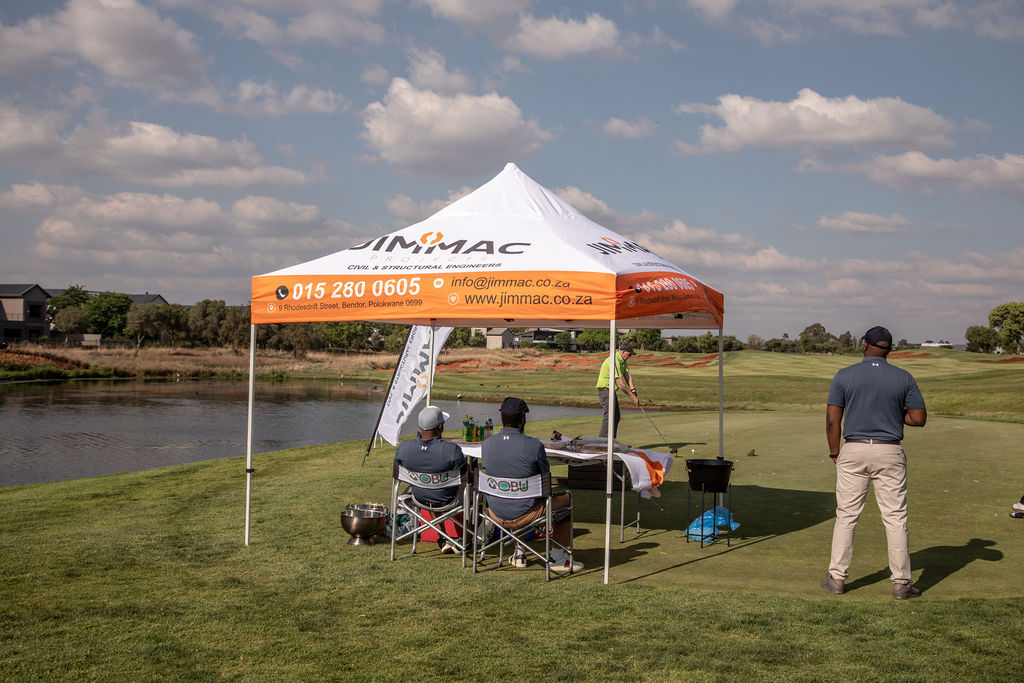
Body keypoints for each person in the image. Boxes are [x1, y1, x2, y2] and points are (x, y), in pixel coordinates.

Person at [822, 326, 927, 600]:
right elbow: (918, 418)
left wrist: (835, 453)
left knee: (846, 516)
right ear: (889, 349)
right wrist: (894, 414)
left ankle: (837, 578)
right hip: (889, 451)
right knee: (895, 518)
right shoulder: (904, 377)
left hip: (854, 449)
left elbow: (833, 420)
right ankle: (901, 583)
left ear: (864, 346)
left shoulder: (844, 375)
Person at [481, 397, 582, 572]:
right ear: (522, 419)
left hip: (495, 511)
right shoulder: (534, 446)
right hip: (524, 512)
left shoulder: (487, 444)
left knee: (516, 497)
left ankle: (519, 553)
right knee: (565, 498)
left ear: (502, 418)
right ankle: (557, 557)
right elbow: (545, 480)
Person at [394, 405, 468, 554]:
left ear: (419, 426)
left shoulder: (405, 448)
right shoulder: (451, 450)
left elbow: (396, 473)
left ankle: (444, 538)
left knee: (432, 490)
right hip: (449, 500)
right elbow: (466, 477)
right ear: (440, 427)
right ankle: (469, 540)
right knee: (477, 492)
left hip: (419, 498)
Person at [596, 343, 639, 438]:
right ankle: (602, 442)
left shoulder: (622, 361)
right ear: (622, 352)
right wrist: (632, 397)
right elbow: (620, 383)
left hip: (610, 391)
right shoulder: (615, 360)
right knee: (610, 416)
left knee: (615, 416)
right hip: (605, 390)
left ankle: (611, 441)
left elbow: (627, 375)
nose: (630, 356)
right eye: (629, 354)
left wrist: (633, 390)